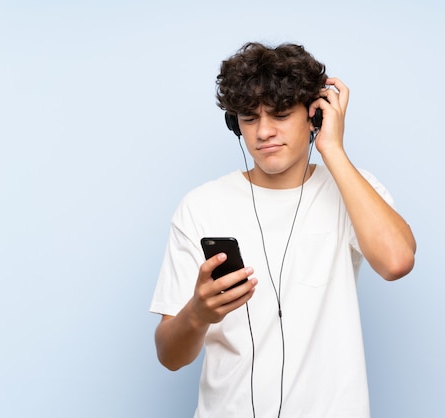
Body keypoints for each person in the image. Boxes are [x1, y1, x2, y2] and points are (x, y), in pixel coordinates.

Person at [150, 42, 416, 418]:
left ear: (314, 116)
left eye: (279, 114)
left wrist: (333, 150)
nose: (263, 132)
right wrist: (198, 313)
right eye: (249, 118)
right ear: (234, 124)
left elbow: (397, 261)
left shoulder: (352, 190)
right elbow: (169, 357)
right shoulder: (201, 206)